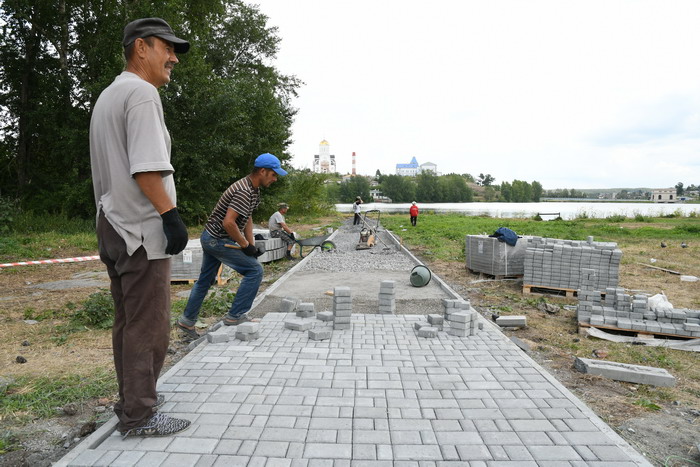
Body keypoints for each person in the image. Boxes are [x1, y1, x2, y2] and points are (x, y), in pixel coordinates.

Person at [89, 18, 191, 437]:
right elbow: (146, 168)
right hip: (141, 231)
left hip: (111, 223)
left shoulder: (110, 95)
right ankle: (140, 416)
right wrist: (171, 216)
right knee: (149, 324)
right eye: (167, 48)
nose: (173, 59)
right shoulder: (142, 94)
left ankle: (134, 398)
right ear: (141, 48)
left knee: (128, 322)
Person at [177, 153, 286, 337]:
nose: (275, 179)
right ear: (262, 171)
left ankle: (186, 322)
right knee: (255, 271)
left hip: (211, 237)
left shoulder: (253, 189)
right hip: (217, 240)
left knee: (205, 281)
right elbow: (229, 223)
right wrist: (245, 245)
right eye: (274, 174)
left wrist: (251, 245)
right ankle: (235, 315)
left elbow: (247, 217)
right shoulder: (244, 190)